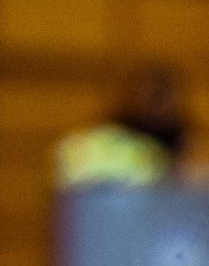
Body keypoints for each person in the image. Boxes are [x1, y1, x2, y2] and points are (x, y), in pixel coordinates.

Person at [55, 63, 192, 188]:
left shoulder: (190, 143)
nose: (156, 107)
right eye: (151, 97)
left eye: (163, 99)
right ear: (134, 97)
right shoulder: (106, 143)